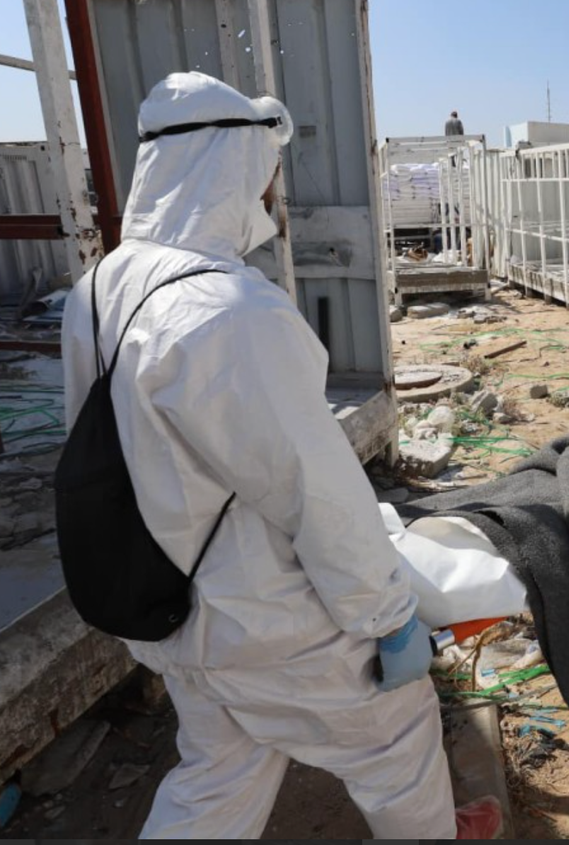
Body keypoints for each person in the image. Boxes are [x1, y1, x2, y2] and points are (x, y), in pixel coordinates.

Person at [61, 72, 500, 840]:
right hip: (268, 624)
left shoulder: (98, 287)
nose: (271, 193)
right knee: (398, 741)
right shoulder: (230, 310)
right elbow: (315, 494)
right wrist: (389, 617)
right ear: (229, 167)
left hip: (170, 614)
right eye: (264, 172)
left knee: (219, 775)